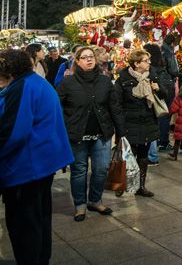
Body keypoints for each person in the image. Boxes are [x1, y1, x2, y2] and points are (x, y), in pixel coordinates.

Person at [0, 49, 73, 264]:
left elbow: (13, 133)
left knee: (24, 226)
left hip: (26, 167)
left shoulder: (23, 87)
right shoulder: (35, 81)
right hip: (41, 164)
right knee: (38, 219)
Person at [57, 46, 123, 221]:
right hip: (77, 136)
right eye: (84, 57)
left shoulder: (105, 81)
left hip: (102, 134)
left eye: (91, 56)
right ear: (77, 61)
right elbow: (57, 107)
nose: (89, 59)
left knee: (101, 169)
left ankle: (95, 200)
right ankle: (80, 205)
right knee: (79, 171)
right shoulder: (67, 83)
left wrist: (121, 132)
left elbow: (114, 107)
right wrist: (65, 125)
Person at [114, 48, 168, 197]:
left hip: (148, 121)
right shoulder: (123, 79)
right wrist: (119, 125)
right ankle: (121, 183)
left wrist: (158, 89)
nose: (149, 63)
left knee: (143, 156)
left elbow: (165, 95)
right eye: (146, 60)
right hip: (130, 122)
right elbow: (117, 103)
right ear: (137, 64)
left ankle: (140, 186)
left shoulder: (152, 77)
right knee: (128, 155)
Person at [144, 43, 175, 154]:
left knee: (160, 117)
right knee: (163, 117)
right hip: (167, 91)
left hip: (161, 92)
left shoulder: (151, 67)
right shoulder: (162, 63)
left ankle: (161, 142)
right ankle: (162, 141)